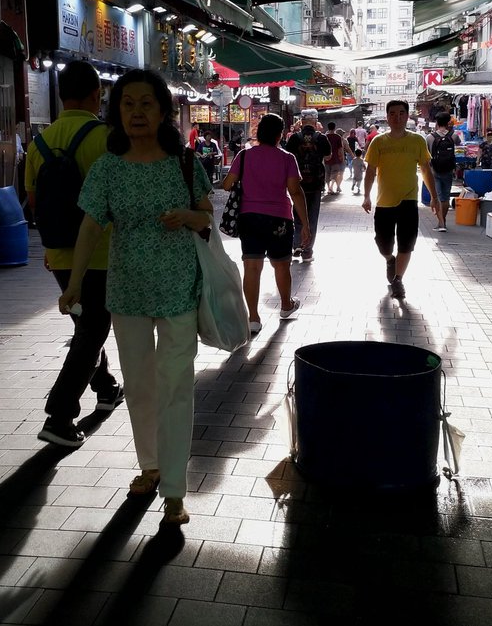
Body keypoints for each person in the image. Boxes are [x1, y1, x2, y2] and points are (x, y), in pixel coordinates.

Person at [59, 69, 213, 526]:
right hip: (125, 292)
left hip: (179, 290)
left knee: (176, 387)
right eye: (128, 104)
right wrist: (74, 282)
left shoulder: (184, 163)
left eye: (146, 104)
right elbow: (90, 225)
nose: (137, 113)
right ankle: (150, 467)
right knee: (141, 388)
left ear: (163, 111)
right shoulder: (108, 167)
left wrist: (187, 215)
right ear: (116, 111)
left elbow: (207, 220)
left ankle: (175, 489)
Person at [25, 61, 124, 449]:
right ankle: (60, 415)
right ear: (97, 93)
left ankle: (107, 386)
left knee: (85, 324)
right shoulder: (107, 137)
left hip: (59, 254)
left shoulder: (39, 143)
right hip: (101, 253)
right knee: (94, 327)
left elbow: (33, 203)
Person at [222, 113, 309, 334]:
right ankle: (286, 306)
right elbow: (295, 192)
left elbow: (226, 184)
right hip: (279, 218)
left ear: (259, 132)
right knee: (281, 265)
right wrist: (306, 224)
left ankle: (253, 318)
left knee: (252, 267)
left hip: (249, 217)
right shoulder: (287, 158)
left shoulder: (244, 155)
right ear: (280, 134)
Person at [362, 100, 438, 300]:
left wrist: (435, 198)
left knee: (406, 243)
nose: (397, 117)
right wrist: (366, 196)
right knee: (383, 243)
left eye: (402, 113)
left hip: (408, 201)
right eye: (393, 114)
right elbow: (370, 171)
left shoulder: (417, 141)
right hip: (385, 202)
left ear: (407, 116)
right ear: (387, 117)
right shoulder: (378, 142)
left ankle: (398, 280)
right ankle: (389, 259)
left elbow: (426, 170)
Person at [284, 114, 331, 262]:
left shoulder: (294, 138)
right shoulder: (322, 138)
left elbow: (288, 157)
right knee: (312, 216)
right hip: (316, 183)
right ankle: (307, 250)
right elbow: (328, 157)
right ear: (315, 122)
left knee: (296, 213)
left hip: (297, 182)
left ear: (302, 122)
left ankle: (296, 244)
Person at [425, 112, 460, 232]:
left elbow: (427, 155)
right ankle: (443, 221)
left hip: (434, 171)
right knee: (445, 197)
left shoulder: (430, 137)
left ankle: (441, 224)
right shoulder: (453, 135)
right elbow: (459, 144)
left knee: (438, 197)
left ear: (437, 123)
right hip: (449, 170)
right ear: (448, 122)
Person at [323, 121, 345, 194]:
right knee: (334, 173)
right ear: (334, 128)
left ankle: (328, 187)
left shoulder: (325, 136)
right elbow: (340, 149)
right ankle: (331, 187)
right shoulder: (337, 137)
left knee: (327, 173)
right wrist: (342, 157)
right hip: (335, 159)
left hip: (326, 159)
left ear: (328, 127)